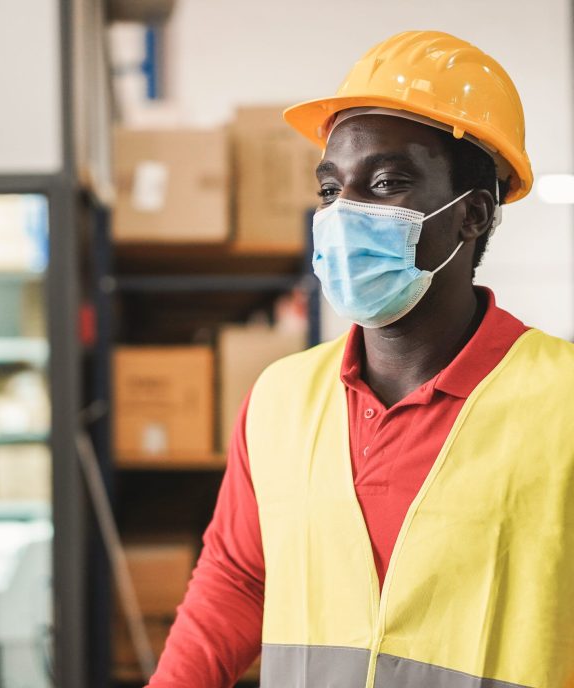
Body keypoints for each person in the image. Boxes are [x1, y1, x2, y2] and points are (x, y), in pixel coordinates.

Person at [145, 30, 574, 688]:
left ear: (472, 215)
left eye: (386, 183)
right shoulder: (281, 399)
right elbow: (238, 579)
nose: (347, 215)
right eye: (331, 190)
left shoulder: (562, 401)